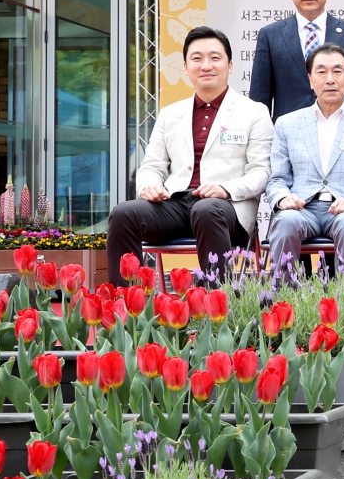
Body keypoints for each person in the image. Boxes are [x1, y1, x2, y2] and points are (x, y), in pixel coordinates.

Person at [107, 26, 274, 285]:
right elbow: (152, 165)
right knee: (123, 213)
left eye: (215, 58)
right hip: (175, 204)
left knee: (207, 210)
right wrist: (149, 186)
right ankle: (126, 307)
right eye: (197, 58)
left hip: (226, 208)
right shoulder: (170, 113)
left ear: (230, 66)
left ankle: (216, 303)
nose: (206, 65)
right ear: (186, 67)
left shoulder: (253, 112)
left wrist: (226, 189)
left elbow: (261, 172)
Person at [265, 43, 344, 276]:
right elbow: (276, 179)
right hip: (303, 208)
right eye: (321, 72)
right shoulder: (287, 123)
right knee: (284, 221)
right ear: (310, 79)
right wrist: (283, 197)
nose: (330, 79)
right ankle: (284, 305)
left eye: (337, 71)